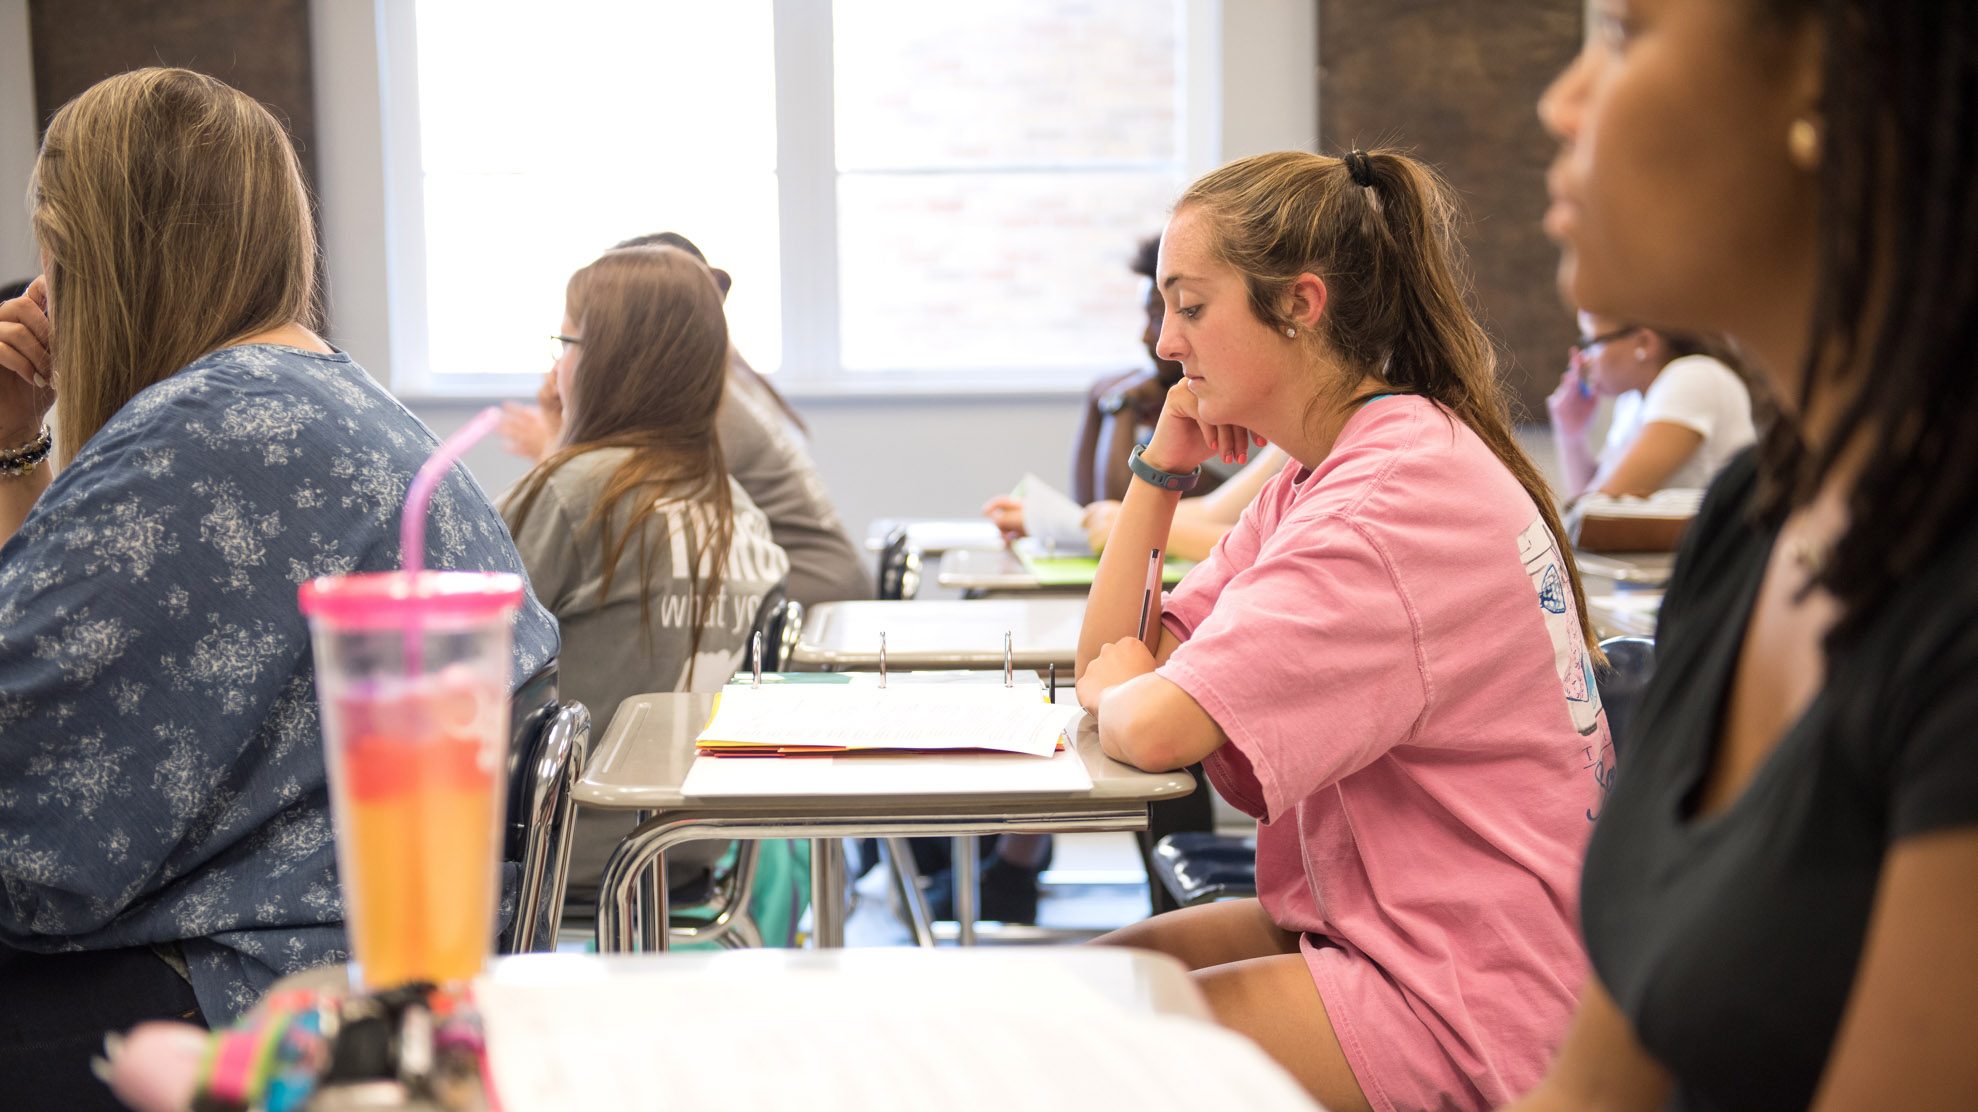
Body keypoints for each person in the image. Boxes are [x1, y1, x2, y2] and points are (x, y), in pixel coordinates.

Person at [0, 68, 558, 1106]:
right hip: (357, 966)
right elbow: (54, 656)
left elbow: (31, 854)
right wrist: (16, 452)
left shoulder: (196, 442)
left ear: (97, 258)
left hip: (262, 997)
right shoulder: (310, 398)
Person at [1511, 3, 1978, 1109]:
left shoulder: (1952, 605)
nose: (1559, 102)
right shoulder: (1750, 520)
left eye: (1623, 32)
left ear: (1830, 71)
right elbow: (1593, 1084)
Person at [1075, 148, 1610, 1111]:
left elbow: (1150, 718)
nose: (1165, 343)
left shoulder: (1387, 502)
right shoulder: (1326, 471)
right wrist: (1161, 471)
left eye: (1191, 307)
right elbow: (1118, 654)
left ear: (1301, 303)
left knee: (1105, 1064)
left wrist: (1126, 690)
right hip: (1398, 924)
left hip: (1478, 991)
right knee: (1083, 998)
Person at [499, 244, 790, 905]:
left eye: (565, 342)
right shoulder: (739, 511)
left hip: (561, 851)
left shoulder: (579, 495)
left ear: (607, 363)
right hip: (691, 849)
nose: (554, 370)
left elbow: (447, 656)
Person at [498, 232, 869, 607]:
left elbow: (588, 508)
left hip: (808, 594)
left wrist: (552, 443)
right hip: (809, 583)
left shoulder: (707, 404)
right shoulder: (723, 382)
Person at [1546, 310, 1755, 499]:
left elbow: (1601, 507)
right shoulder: (1632, 401)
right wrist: (1570, 432)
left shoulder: (1692, 376)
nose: (1585, 359)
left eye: (1593, 342)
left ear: (1644, 343)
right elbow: (1586, 511)